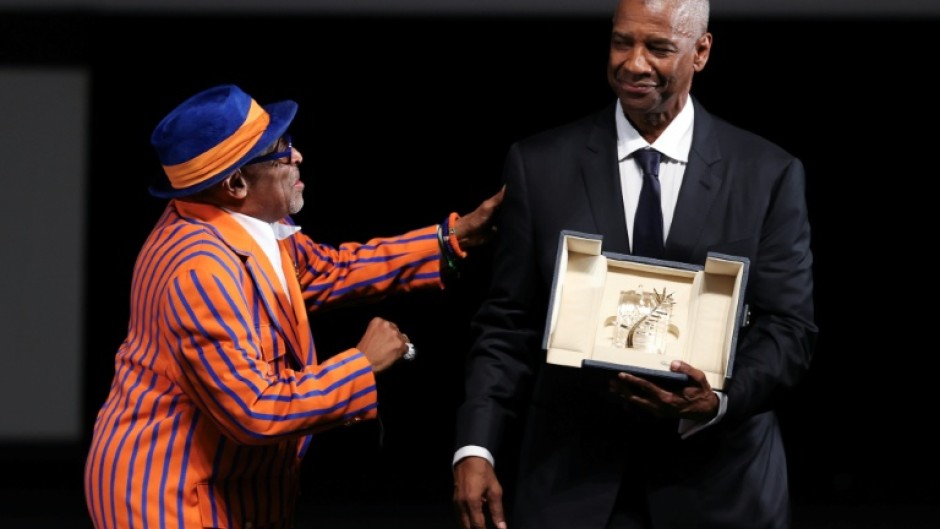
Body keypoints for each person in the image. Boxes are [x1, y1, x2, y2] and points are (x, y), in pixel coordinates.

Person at [451, 0, 817, 528]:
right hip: (572, 486)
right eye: (623, 42)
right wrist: (475, 447)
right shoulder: (540, 164)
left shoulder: (768, 173)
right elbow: (507, 324)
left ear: (701, 52)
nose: (634, 63)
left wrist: (716, 400)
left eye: (659, 47)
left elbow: (790, 329)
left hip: (720, 489)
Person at [83, 83, 504, 529]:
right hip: (168, 499)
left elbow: (327, 269)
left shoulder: (242, 220)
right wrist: (360, 364)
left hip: (234, 486)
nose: (297, 155)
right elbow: (256, 410)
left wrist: (452, 238)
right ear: (235, 182)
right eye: (280, 149)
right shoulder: (199, 270)